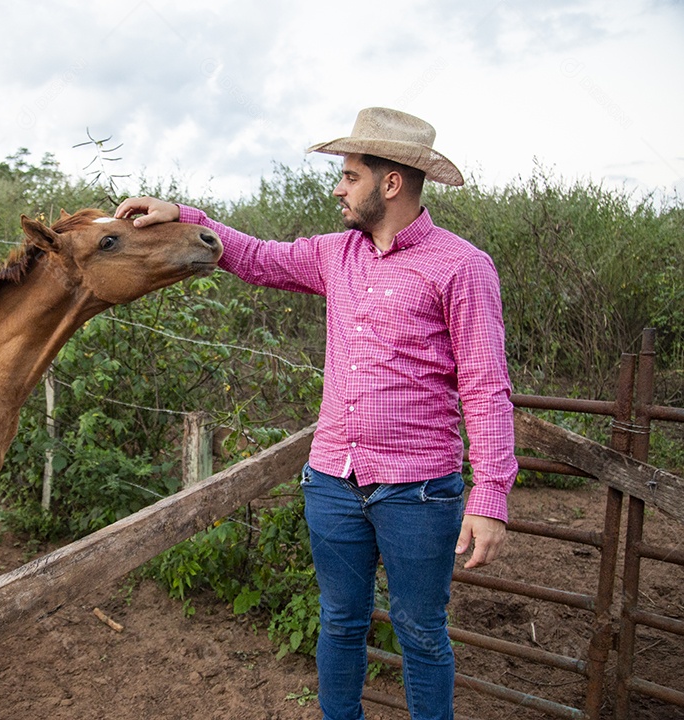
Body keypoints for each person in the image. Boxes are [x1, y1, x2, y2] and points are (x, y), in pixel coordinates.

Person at [115, 107, 517, 720]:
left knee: (422, 633)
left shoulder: (461, 266)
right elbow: (255, 257)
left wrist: (491, 495)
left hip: (420, 490)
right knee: (339, 622)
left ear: (391, 183)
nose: (337, 187)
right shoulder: (335, 254)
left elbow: (486, 387)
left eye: (350, 176)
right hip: (332, 480)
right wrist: (187, 217)